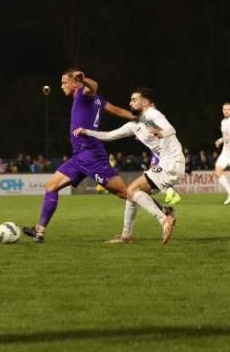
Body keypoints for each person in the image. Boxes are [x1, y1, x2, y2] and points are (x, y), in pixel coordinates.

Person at [22, 69, 135, 243]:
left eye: (64, 82)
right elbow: (116, 110)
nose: (61, 86)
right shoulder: (95, 100)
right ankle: (39, 231)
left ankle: (163, 211)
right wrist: (136, 118)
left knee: (125, 193)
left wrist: (84, 80)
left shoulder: (83, 93)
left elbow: (94, 86)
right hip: (79, 156)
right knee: (51, 186)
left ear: (75, 83)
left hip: (91, 154)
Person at [74, 87, 183, 244]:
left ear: (145, 101)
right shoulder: (135, 125)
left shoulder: (152, 113)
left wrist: (162, 133)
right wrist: (87, 131)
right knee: (132, 194)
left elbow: (171, 129)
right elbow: (110, 136)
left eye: (134, 99)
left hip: (172, 161)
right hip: (167, 163)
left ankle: (164, 219)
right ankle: (127, 235)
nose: (130, 102)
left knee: (131, 190)